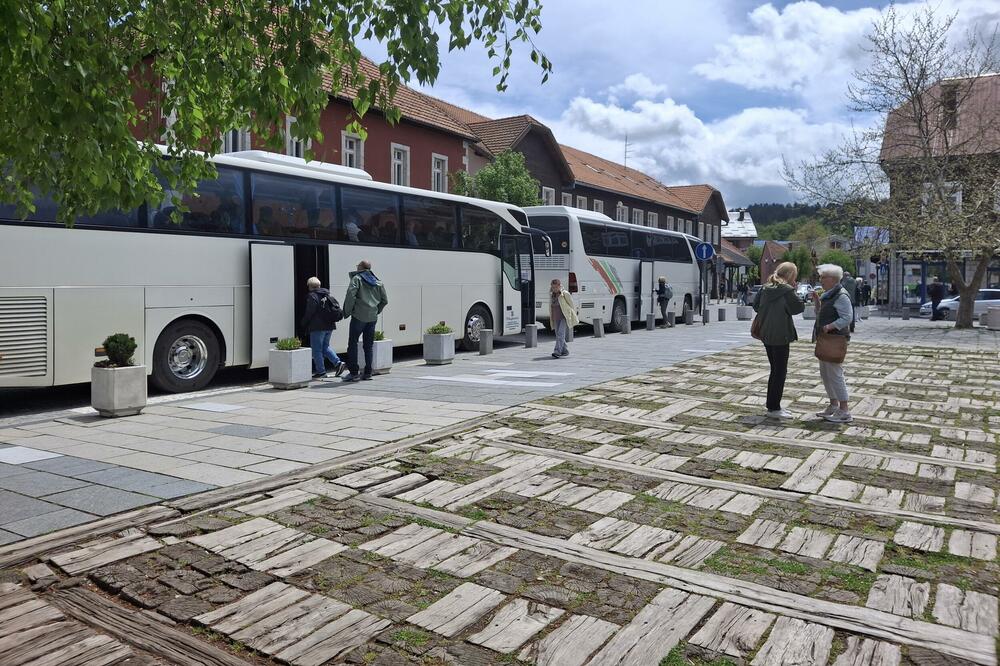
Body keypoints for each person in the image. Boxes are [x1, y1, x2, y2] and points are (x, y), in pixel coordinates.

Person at [752, 261, 805, 419]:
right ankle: (774, 408)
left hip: (766, 332)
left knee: (774, 370)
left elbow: (755, 306)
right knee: (780, 371)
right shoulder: (787, 290)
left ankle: (772, 406)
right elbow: (798, 308)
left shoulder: (764, 288)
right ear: (791, 275)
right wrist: (794, 291)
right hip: (781, 334)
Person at [812, 264, 854, 423]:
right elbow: (822, 314)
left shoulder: (841, 295)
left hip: (835, 339)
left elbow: (847, 317)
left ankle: (844, 410)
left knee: (835, 374)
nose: (821, 280)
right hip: (826, 339)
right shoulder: (829, 294)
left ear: (833, 279)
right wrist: (817, 303)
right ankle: (833, 405)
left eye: (823, 277)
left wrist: (830, 326)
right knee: (825, 373)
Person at [341, 260, 389, 382]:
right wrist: (376, 311)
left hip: (358, 316)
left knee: (353, 343)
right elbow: (385, 300)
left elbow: (350, 295)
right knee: (368, 345)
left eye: (357, 265)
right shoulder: (378, 281)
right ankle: (368, 373)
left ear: (361, 267)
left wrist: (347, 311)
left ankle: (353, 372)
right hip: (372, 318)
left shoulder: (357, 279)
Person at [301, 277, 346, 379]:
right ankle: (338, 363)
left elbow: (310, 312)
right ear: (319, 285)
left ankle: (321, 372)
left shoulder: (312, 296)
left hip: (317, 327)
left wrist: (303, 323)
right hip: (329, 326)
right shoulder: (326, 295)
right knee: (325, 346)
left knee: (317, 350)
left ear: (309, 286)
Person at [549, 278, 579, 359]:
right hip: (556, 318)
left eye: (555, 287)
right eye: (553, 287)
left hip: (564, 317)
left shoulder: (565, 294)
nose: (554, 289)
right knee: (558, 335)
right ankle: (565, 351)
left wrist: (572, 315)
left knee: (560, 334)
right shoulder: (552, 295)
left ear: (559, 286)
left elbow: (571, 304)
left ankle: (557, 351)